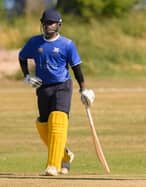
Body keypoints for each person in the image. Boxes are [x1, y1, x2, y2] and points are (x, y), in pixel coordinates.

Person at [19, 9, 95, 176]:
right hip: (43, 87)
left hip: (62, 86)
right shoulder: (35, 43)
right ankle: (65, 156)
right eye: (46, 23)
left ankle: (52, 165)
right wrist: (26, 77)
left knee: (57, 120)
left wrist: (83, 89)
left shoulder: (67, 44)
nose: (49, 26)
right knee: (43, 124)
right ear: (42, 24)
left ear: (59, 24)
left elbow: (76, 68)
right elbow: (22, 57)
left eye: (52, 23)